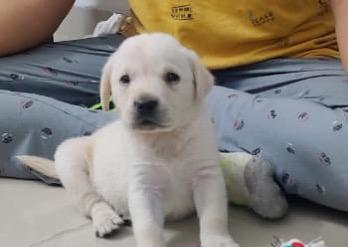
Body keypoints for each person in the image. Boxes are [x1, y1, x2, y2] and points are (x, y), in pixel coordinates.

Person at [1, 0, 348, 212]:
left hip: (295, 63)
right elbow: (37, 4)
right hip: (146, 58)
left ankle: (169, 141)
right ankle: (212, 166)